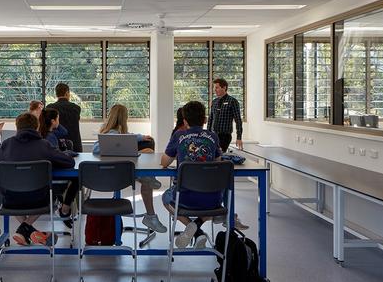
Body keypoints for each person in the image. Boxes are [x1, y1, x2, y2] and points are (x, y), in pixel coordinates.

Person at [161, 101, 246, 249]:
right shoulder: (213, 136)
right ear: (205, 119)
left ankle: (194, 229)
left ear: (185, 121)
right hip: (212, 199)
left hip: (184, 198)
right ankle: (198, 227)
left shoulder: (179, 135)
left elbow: (164, 163)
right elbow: (218, 163)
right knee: (216, 202)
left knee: (166, 197)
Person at [0, 113, 75, 246]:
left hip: (10, 200)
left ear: (17, 127)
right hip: (39, 200)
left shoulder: (7, 144)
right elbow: (69, 163)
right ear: (37, 126)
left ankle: (24, 231)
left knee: (11, 192)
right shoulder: (43, 145)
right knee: (47, 194)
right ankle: (26, 230)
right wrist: (63, 156)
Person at [92, 104, 167, 233]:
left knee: (148, 149)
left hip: (119, 174)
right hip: (117, 175)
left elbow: (130, 136)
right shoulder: (107, 136)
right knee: (147, 164)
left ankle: (151, 212)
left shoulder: (122, 135)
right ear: (123, 119)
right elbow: (96, 149)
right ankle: (151, 214)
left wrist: (139, 137)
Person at [39, 108, 78, 227]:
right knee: (78, 177)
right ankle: (65, 209)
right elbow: (55, 156)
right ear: (52, 121)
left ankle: (63, 207)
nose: (59, 121)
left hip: (42, 175)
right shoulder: (50, 137)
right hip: (53, 173)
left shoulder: (44, 133)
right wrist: (68, 153)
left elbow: (64, 132)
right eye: (57, 119)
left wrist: (55, 122)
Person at [208, 78, 244, 152]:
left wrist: (239, 137)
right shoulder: (214, 102)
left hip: (224, 136)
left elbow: (238, 120)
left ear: (224, 87)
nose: (215, 90)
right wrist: (208, 134)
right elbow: (210, 119)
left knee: (219, 156)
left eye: (217, 87)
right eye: (214, 87)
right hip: (213, 135)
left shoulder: (232, 101)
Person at [46, 83, 82, 152]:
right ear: (67, 93)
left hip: (56, 145)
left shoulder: (50, 108)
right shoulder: (76, 108)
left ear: (56, 94)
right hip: (75, 145)